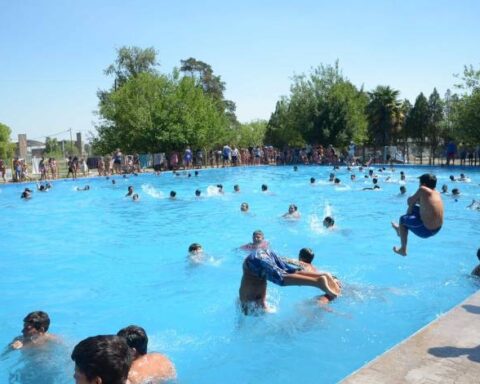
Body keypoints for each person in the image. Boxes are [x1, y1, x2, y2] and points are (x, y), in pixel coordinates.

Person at [238, 248, 341, 314]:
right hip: (261, 254)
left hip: (255, 262)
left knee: (282, 278)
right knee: (288, 272)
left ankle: (318, 281)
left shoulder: (249, 306)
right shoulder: (253, 301)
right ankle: (322, 276)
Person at [392, 173, 444, 256]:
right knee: (415, 208)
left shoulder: (423, 189)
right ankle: (401, 230)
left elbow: (409, 202)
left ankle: (403, 249)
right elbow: (424, 204)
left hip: (427, 230)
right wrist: (415, 202)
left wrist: (413, 201)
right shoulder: (436, 192)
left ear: (423, 184)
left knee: (402, 219)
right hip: (437, 228)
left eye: (419, 183)